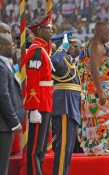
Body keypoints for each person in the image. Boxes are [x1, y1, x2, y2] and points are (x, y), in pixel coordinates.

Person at [77, 22, 109, 155]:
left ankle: (96, 148)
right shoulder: (96, 46)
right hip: (98, 92)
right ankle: (97, 148)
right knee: (100, 119)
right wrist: (101, 92)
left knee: (97, 120)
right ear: (99, 32)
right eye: (108, 32)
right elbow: (95, 71)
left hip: (103, 90)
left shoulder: (101, 44)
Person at [22, 14, 54, 175]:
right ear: (40, 31)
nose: (52, 32)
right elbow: (33, 80)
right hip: (39, 102)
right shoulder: (36, 51)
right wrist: (33, 107)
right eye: (49, 29)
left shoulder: (42, 49)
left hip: (45, 101)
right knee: (35, 148)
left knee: (40, 148)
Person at [50, 31, 81, 175]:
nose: (75, 47)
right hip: (64, 105)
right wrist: (61, 48)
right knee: (63, 147)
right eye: (72, 44)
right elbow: (54, 62)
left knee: (68, 147)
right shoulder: (58, 58)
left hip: (71, 105)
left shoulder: (70, 61)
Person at [0, 33, 24, 175]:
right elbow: (3, 95)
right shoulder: (2, 66)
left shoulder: (5, 64)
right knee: (2, 166)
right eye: (11, 45)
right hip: (3, 125)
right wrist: (14, 122)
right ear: (1, 46)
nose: (13, 48)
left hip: (4, 125)